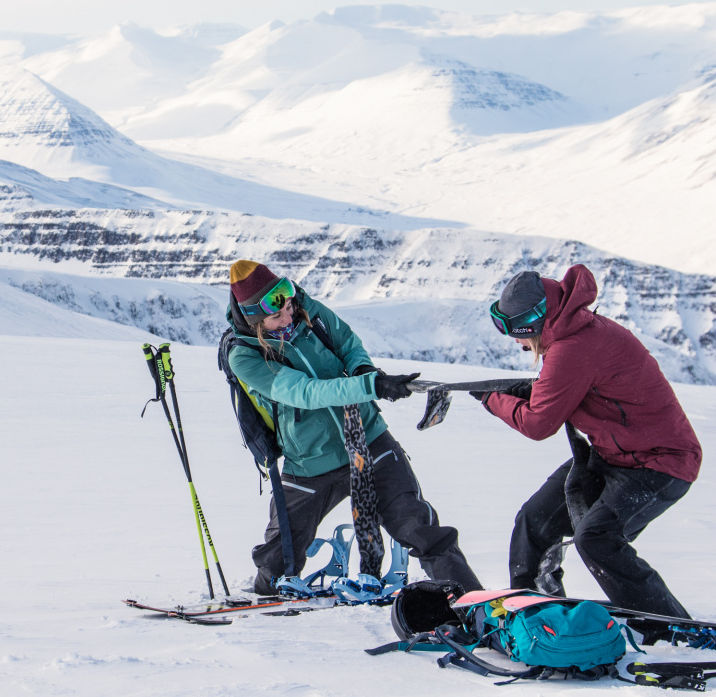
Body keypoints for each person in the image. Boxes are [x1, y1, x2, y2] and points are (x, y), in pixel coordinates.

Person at [225, 259, 483, 596]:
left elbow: (348, 344)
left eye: (288, 306)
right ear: (254, 321)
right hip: (310, 461)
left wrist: (365, 371)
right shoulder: (244, 357)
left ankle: (475, 601)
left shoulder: (308, 311)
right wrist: (371, 386)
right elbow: (306, 392)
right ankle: (263, 600)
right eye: (277, 316)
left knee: (419, 528)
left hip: (369, 439)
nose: (289, 317)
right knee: (278, 559)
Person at [473, 264, 702, 620]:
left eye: (512, 330)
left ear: (530, 324)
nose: (514, 341)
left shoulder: (572, 347)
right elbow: (577, 388)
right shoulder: (574, 331)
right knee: (535, 521)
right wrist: (528, 391)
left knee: (597, 540)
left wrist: (492, 400)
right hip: (614, 455)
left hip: (661, 463)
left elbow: (537, 424)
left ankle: (671, 629)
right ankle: (534, 614)